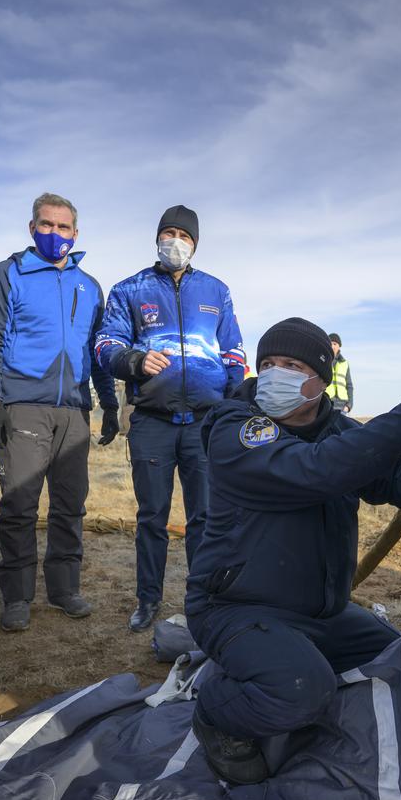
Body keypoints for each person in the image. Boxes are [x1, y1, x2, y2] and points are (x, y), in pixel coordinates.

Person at [183, 317, 401, 783]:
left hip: (320, 613)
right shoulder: (236, 431)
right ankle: (215, 711)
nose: (274, 373)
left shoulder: (337, 431)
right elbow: (319, 470)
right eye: (268, 363)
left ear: (320, 380)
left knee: (396, 659)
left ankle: (287, 659)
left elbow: (378, 476)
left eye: (291, 364)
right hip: (234, 609)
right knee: (302, 690)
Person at [95, 205, 246, 634]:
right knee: (152, 517)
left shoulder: (217, 291)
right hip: (153, 422)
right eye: (169, 233)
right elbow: (106, 345)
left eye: (183, 234)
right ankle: (148, 599)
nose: (175, 241)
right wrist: (135, 359)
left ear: (195, 243)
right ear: (158, 238)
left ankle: (203, 598)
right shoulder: (130, 289)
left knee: (206, 517)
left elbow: (234, 351)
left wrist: (234, 402)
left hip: (205, 423)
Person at [0, 193, 120, 632]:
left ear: (75, 233)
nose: (54, 234)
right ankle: (18, 596)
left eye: (63, 227)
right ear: (32, 227)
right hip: (23, 407)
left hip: (74, 411)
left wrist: (109, 404)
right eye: (46, 225)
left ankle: (64, 588)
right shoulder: (9, 274)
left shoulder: (90, 285)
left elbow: (97, 353)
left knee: (69, 505)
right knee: (19, 506)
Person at [324, 332, 354, 414]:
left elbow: (349, 386)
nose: (332, 346)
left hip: (343, 407)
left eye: (334, 344)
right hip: (327, 404)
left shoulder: (345, 363)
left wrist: (349, 405)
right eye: (330, 344)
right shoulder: (323, 360)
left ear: (339, 346)